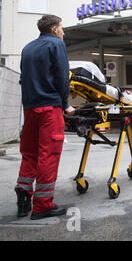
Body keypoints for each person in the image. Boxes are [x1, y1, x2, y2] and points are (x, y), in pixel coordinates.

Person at [15, 14, 75, 219]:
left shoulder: (27, 48)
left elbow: (24, 78)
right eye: (62, 28)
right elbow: (62, 77)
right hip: (49, 109)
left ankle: (23, 197)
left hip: (30, 109)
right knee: (48, 155)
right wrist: (66, 104)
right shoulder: (56, 45)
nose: (63, 32)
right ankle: (42, 206)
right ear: (54, 29)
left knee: (30, 153)